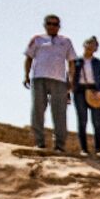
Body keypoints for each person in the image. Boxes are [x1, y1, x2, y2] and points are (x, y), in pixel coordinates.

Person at [23, 14, 75, 153]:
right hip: (39, 77)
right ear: (45, 25)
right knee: (37, 110)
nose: (52, 26)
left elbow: (71, 62)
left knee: (59, 112)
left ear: (59, 26)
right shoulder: (37, 39)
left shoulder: (66, 41)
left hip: (59, 80)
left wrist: (71, 79)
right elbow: (29, 58)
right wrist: (26, 75)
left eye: (55, 24)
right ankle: (39, 142)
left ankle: (60, 145)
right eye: (49, 23)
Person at [70, 36, 100, 156]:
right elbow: (70, 76)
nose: (91, 46)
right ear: (84, 44)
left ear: (96, 48)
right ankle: (84, 149)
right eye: (89, 43)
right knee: (82, 120)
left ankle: (98, 149)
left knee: (96, 121)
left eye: (94, 45)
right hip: (80, 92)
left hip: (95, 92)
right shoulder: (76, 61)